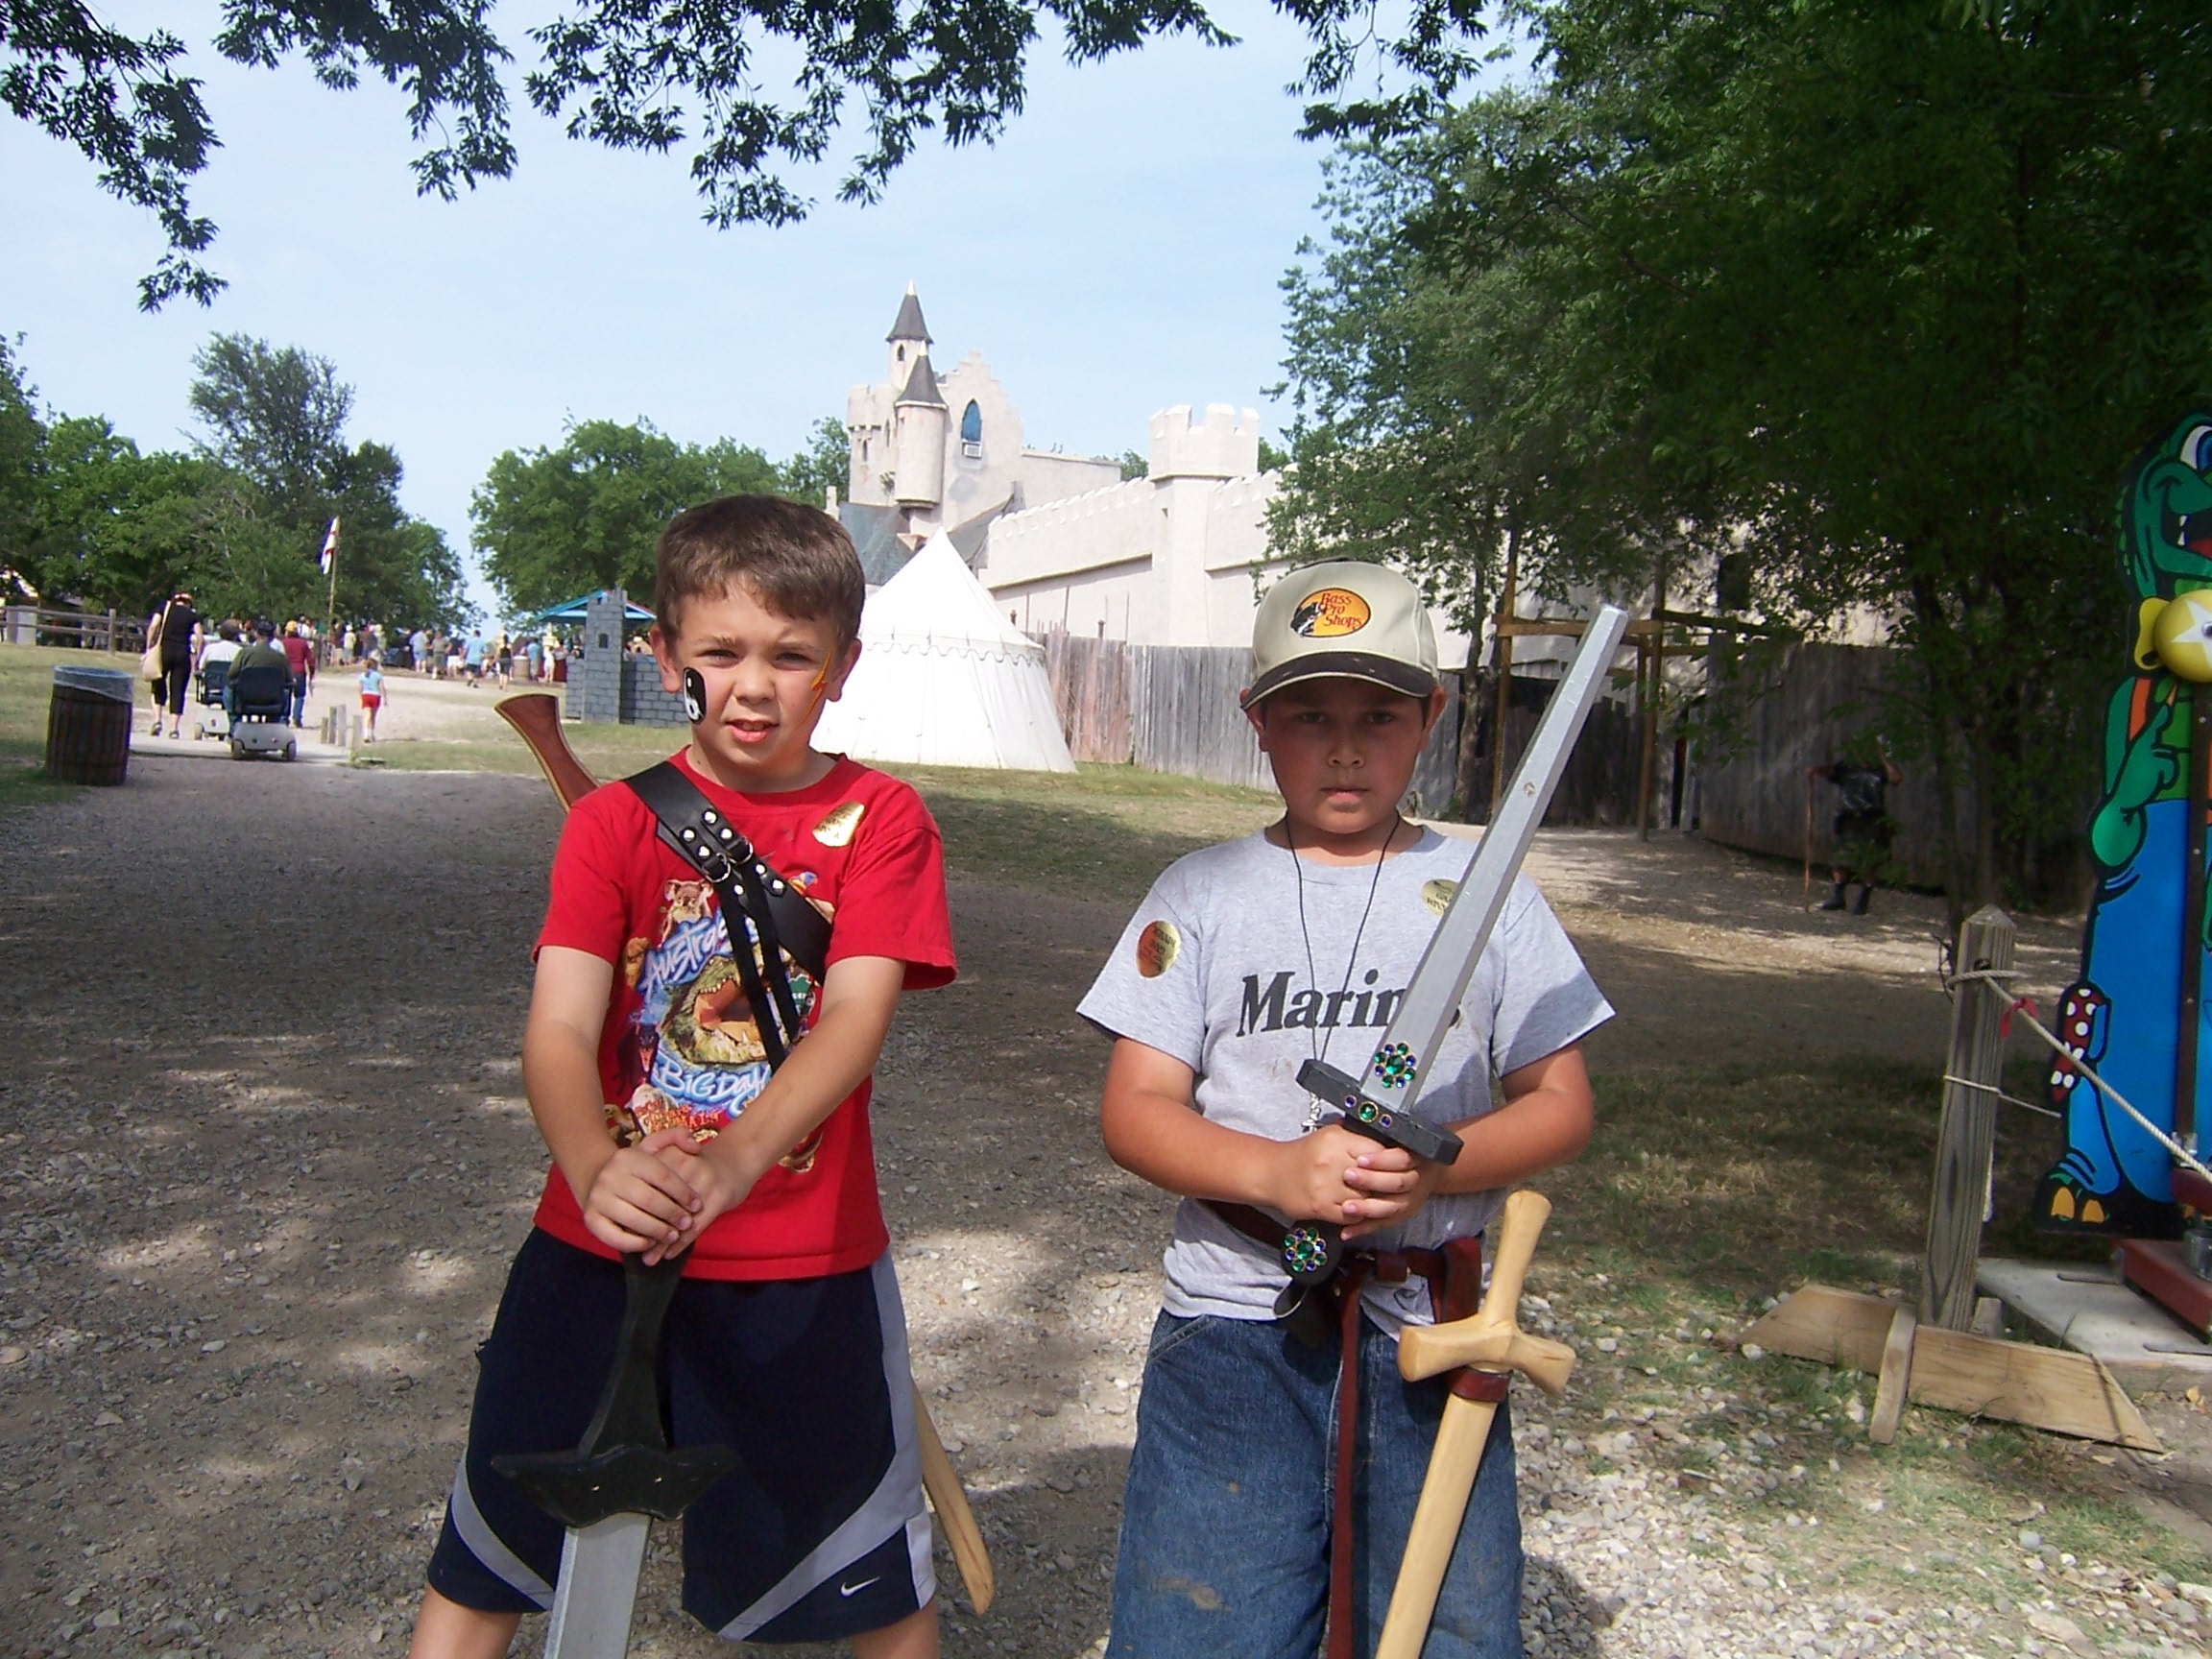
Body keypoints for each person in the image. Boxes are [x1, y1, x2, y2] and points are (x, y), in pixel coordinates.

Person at [408, 495, 955, 1659]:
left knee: (863, 1566)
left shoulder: (885, 822)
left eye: (791, 656)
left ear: (841, 668)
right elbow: (559, 1030)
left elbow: (854, 1018)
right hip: (596, 1241)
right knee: (493, 1546)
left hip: (800, 1254)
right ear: (668, 660)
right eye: (721, 653)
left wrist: (741, 1160)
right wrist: (594, 1164)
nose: (754, 685)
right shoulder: (610, 825)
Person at [1078, 561, 1612, 1659]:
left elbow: (1560, 1104)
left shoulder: (1488, 897)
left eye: (1379, 716)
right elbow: (1134, 1110)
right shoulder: (1203, 893)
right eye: (1309, 715)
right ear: (1258, 724)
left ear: (1432, 718)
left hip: (1432, 1330)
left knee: (1442, 1627)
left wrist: (1438, 1169)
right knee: (1199, 1625)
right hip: (1237, 1325)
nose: (1346, 746)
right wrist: (1276, 1174)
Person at [1809, 746, 1903, 914]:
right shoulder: (1847, 768)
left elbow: (1896, 778)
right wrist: (1816, 771)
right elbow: (1830, 771)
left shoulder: (1880, 770)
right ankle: (1838, 897)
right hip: (1848, 817)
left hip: (1872, 818)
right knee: (1840, 859)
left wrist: (1885, 757)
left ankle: (1863, 900)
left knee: (1870, 860)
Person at [148, 589, 200, 737]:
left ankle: (157, 720)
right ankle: (174, 729)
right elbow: (199, 637)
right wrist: (197, 655)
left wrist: (149, 646)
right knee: (178, 690)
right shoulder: (192, 615)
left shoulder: (164, 607)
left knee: (158, 684)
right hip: (182, 653)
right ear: (189, 603)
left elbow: (153, 626)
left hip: (164, 651)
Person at [282, 621, 315, 728]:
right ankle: (297, 718)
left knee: (286, 694)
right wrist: (312, 671)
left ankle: (284, 718)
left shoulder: (283, 643)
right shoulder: (302, 643)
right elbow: (310, 659)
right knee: (299, 695)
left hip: (286, 671)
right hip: (299, 671)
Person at [358, 655, 386, 740]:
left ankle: (366, 734)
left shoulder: (362, 675)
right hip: (375, 695)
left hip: (366, 695)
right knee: (373, 716)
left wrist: (360, 698)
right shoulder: (378, 675)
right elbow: (382, 687)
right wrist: (384, 698)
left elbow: (360, 688)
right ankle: (372, 733)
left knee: (367, 715)